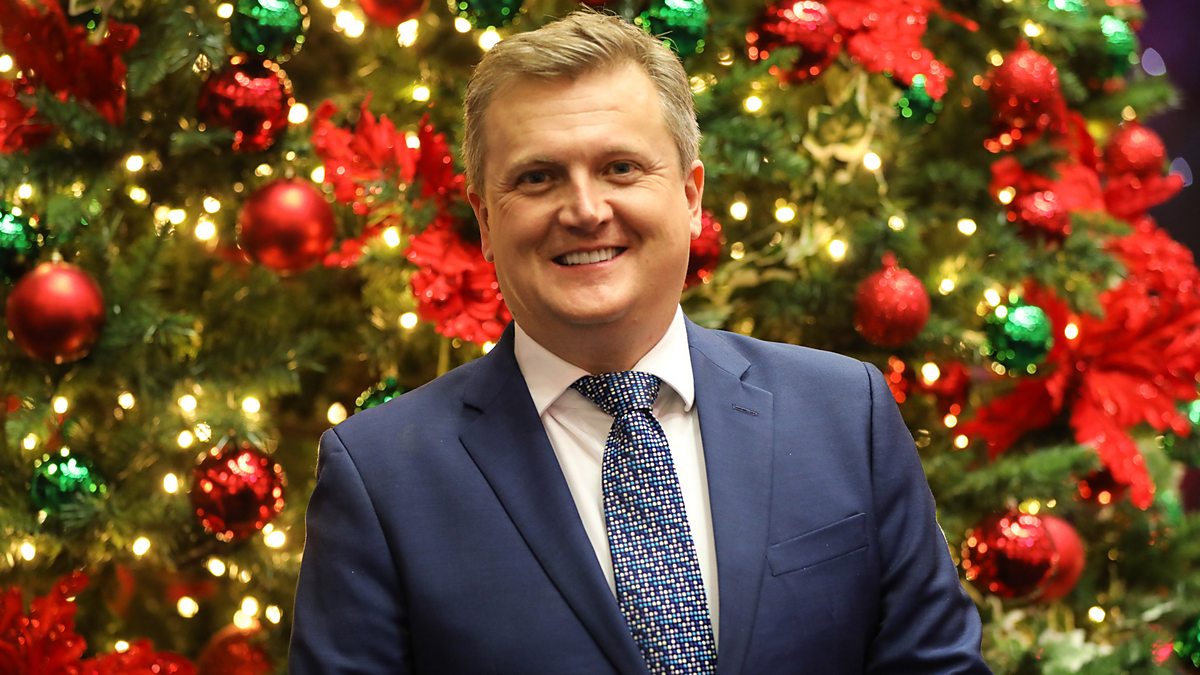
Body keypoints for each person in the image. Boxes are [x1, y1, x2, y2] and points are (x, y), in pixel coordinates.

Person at [289, 10, 989, 674]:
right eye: (538, 178)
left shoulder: (845, 413)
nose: (585, 210)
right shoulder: (380, 478)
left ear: (691, 196)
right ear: (486, 219)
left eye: (621, 167)